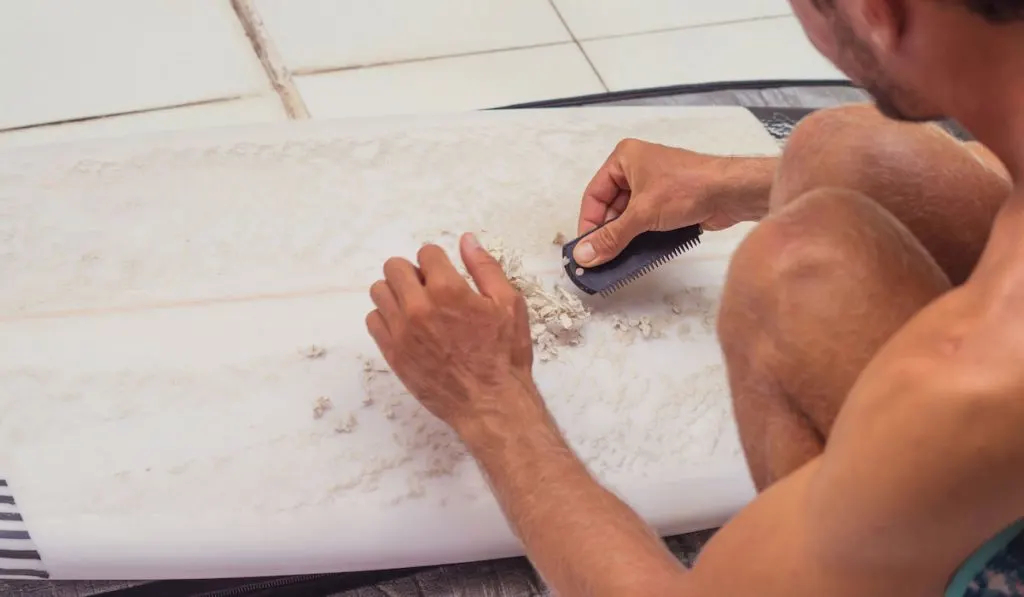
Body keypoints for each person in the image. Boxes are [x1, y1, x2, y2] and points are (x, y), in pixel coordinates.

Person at [364, 0, 1024, 594]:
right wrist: (727, 183)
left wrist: (491, 402)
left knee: (786, 274)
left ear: (877, 12)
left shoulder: (967, 388)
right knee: (840, 152)